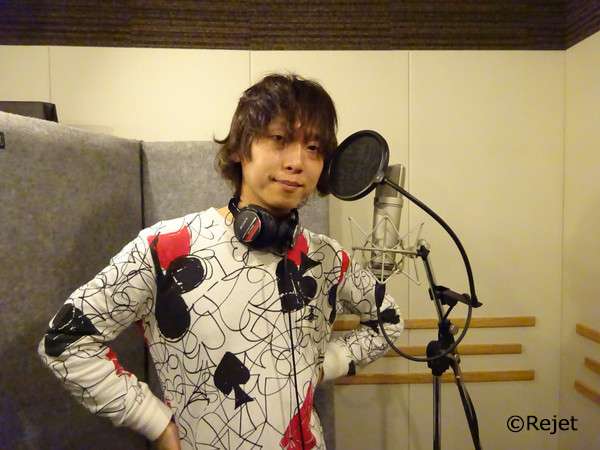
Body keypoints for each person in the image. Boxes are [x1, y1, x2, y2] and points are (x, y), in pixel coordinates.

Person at [38, 73, 403, 449]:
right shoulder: (166, 248)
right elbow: (65, 341)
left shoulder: (327, 257)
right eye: (280, 139)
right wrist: (156, 423)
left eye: (313, 147)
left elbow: (389, 321)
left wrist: (324, 365)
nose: (297, 162)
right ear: (240, 149)